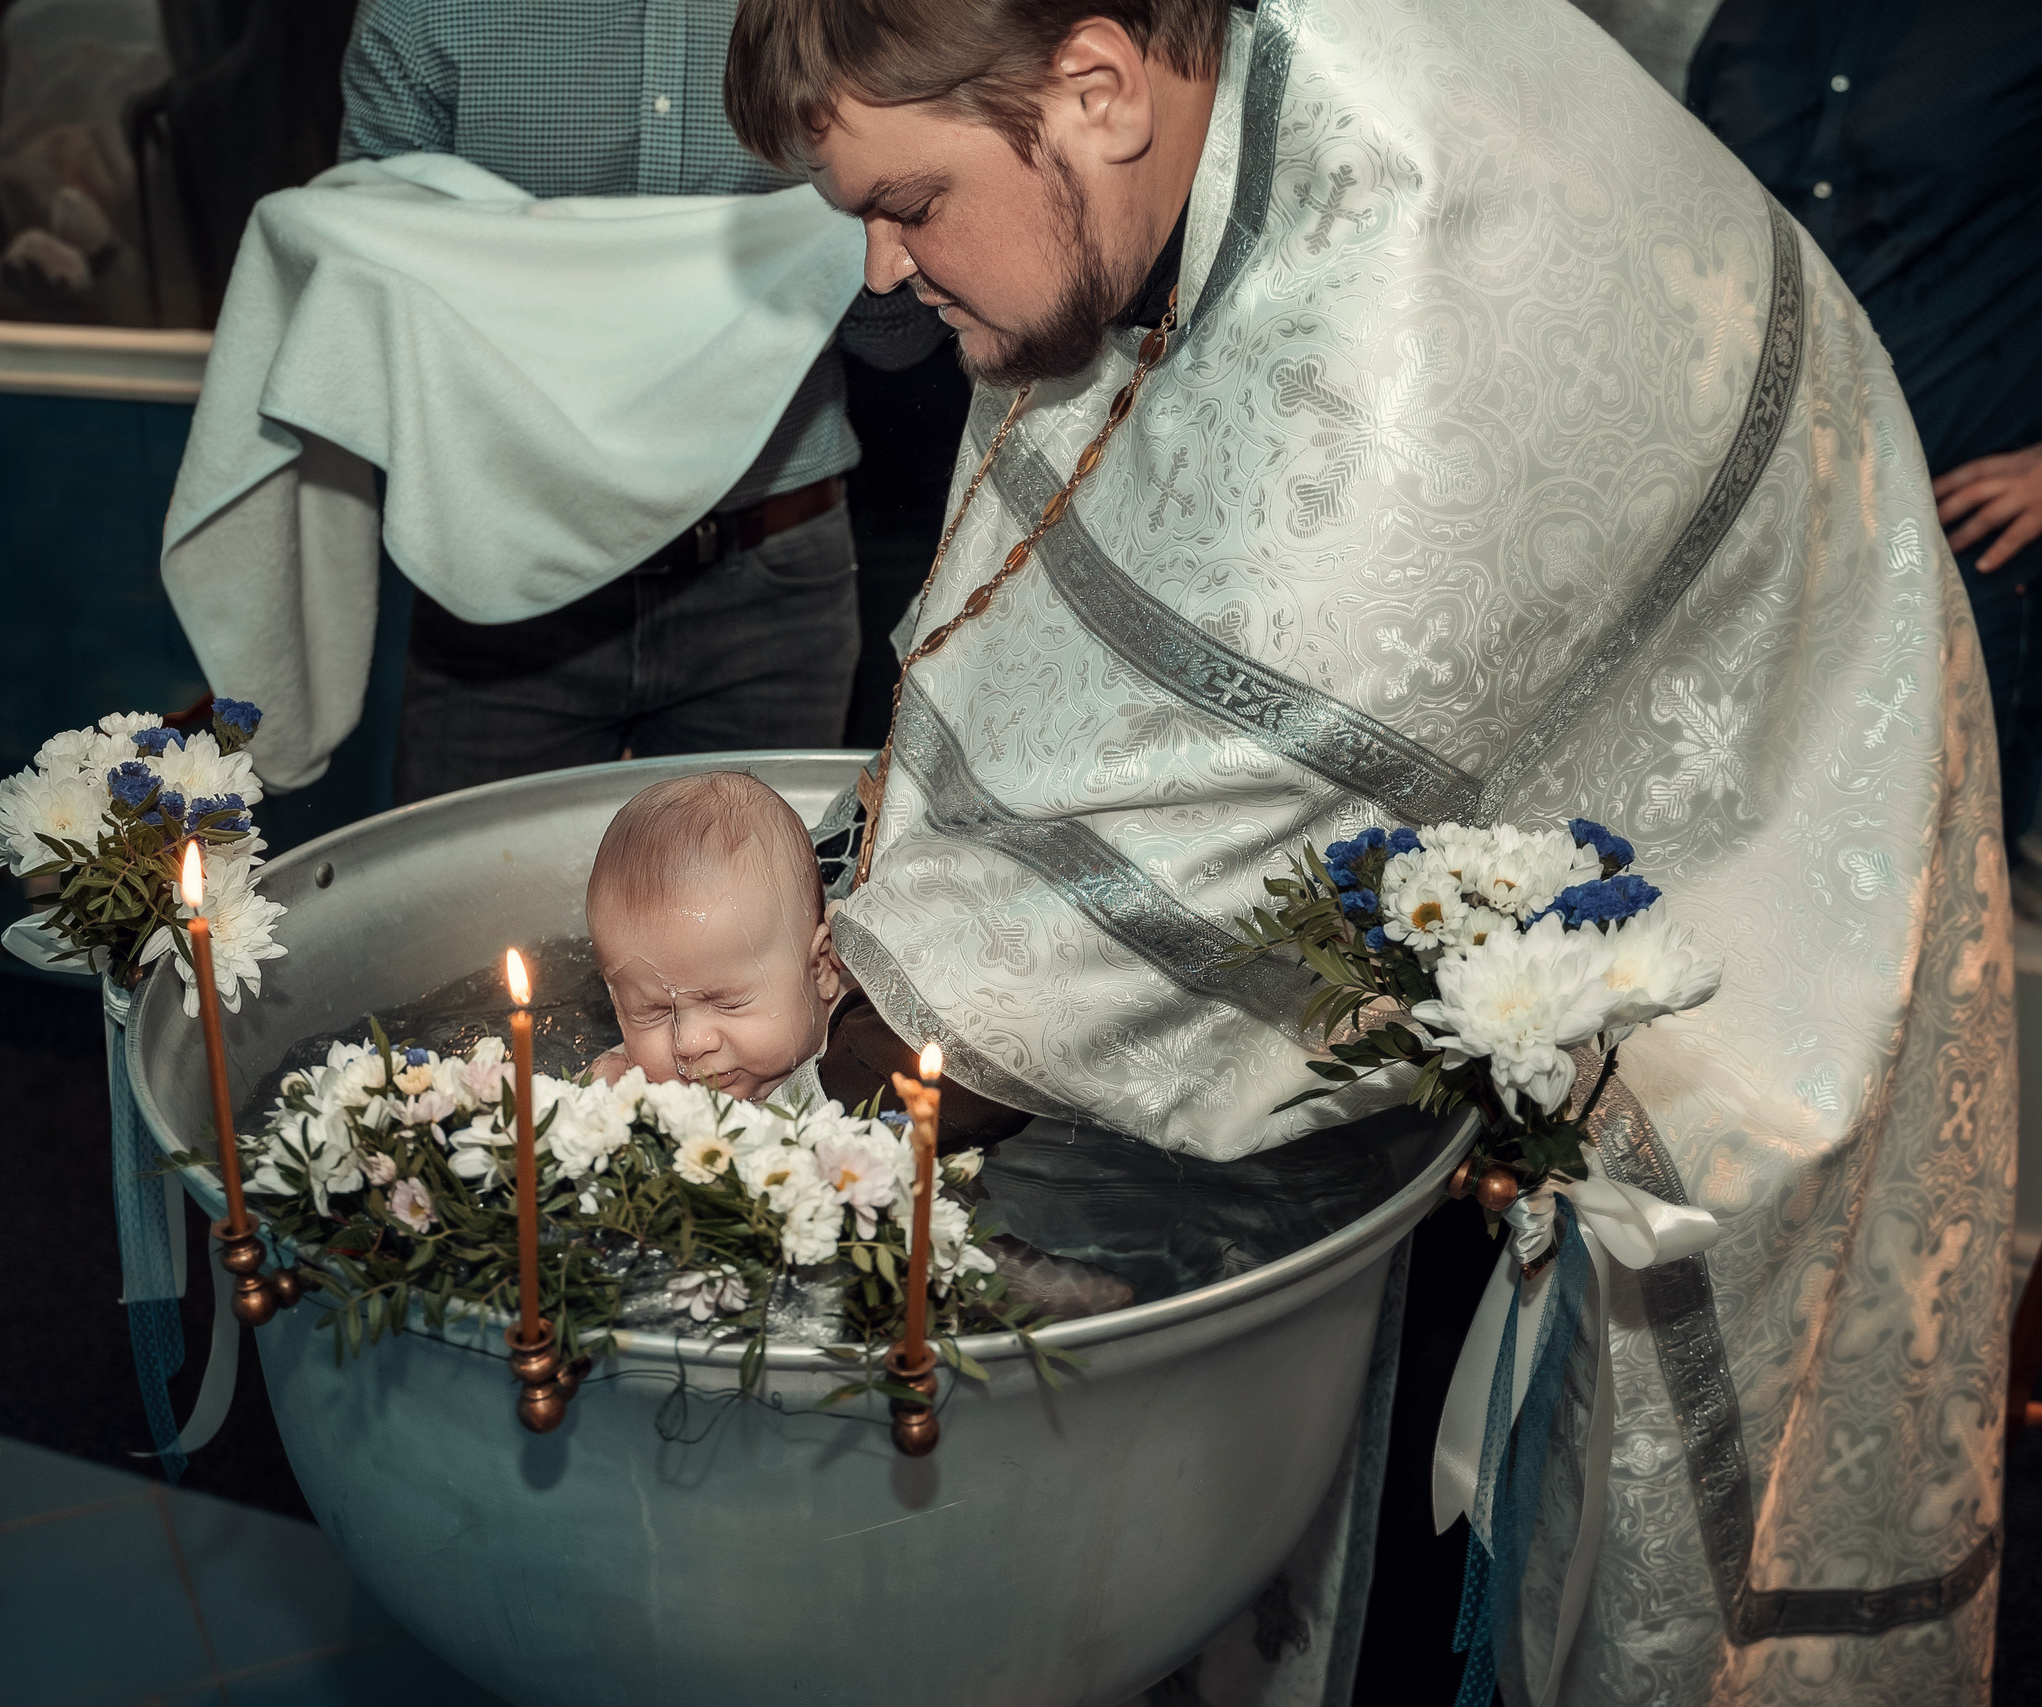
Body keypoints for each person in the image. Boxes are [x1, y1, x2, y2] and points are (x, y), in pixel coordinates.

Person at [723, 1, 2008, 1703]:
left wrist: (758, 1120)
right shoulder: (1178, 131)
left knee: (1522, 1547)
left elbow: (1196, 837)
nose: (883, 274)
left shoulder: (1420, 305)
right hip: (1490, 807)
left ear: (1096, 87)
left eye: (908, 202)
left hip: (1735, 872)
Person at [337, 0, 947, 804]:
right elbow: (360, 291)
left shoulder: (847, 8)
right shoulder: (424, 12)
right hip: (503, 580)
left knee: (766, 921)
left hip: (772, 578)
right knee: (467, 915)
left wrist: (851, 232)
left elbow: (897, 342)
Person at [1676, 0, 2042, 913]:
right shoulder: (1752, 23)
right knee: (1732, 900)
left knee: (1917, 901)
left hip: (1951, 540)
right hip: (1751, 527)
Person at [586, 770, 845, 1105]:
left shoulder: (865, 1051)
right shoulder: (647, 1071)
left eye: (727, 1003)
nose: (689, 1043)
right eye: (654, 1012)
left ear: (821, 968)